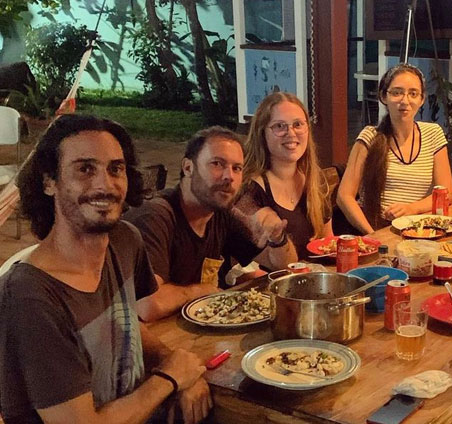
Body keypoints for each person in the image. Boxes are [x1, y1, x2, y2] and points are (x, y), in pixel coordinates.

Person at [0, 114, 210, 424]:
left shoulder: (125, 241)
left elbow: (124, 324)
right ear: (49, 182)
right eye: (85, 169)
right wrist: (168, 380)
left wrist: (178, 365)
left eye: (116, 169)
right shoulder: (29, 297)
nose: (105, 184)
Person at [127, 126, 287, 322]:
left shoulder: (220, 212)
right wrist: (203, 290)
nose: (229, 177)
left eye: (237, 168)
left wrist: (277, 236)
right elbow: (147, 304)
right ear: (188, 167)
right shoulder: (156, 216)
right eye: (217, 164)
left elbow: (281, 265)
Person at [338, 64, 452, 234]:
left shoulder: (433, 134)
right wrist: (373, 235)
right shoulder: (370, 137)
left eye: (413, 94)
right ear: (384, 96)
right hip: (376, 228)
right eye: (396, 92)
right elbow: (344, 196)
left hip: (418, 230)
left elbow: (446, 193)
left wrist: (412, 209)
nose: (405, 101)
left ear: (422, 99)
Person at [234, 92, 332, 269]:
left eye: (298, 125)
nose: (291, 133)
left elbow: (328, 244)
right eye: (279, 126)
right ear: (262, 133)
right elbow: (270, 267)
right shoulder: (248, 192)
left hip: (316, 286)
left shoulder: (314, 181)